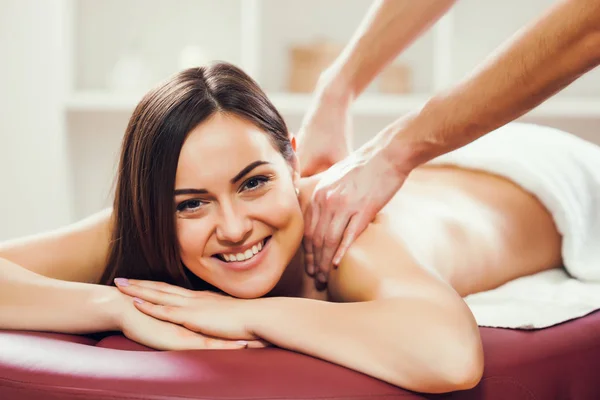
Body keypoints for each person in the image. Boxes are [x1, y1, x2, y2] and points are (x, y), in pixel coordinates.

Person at [4, 62, 597, 394]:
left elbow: (450, 356)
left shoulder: (343, 235)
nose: (233, 227)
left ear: (293, 161)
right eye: (191, 204)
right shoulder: (149, 220)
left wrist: (242, 313)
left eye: (254, 182)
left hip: (556, 177)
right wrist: (115, 308)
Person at [299, 0, 600, 283]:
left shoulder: (368, 257)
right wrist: (336, 90)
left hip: (558, 171)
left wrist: (395, 151)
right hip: (516, 156)